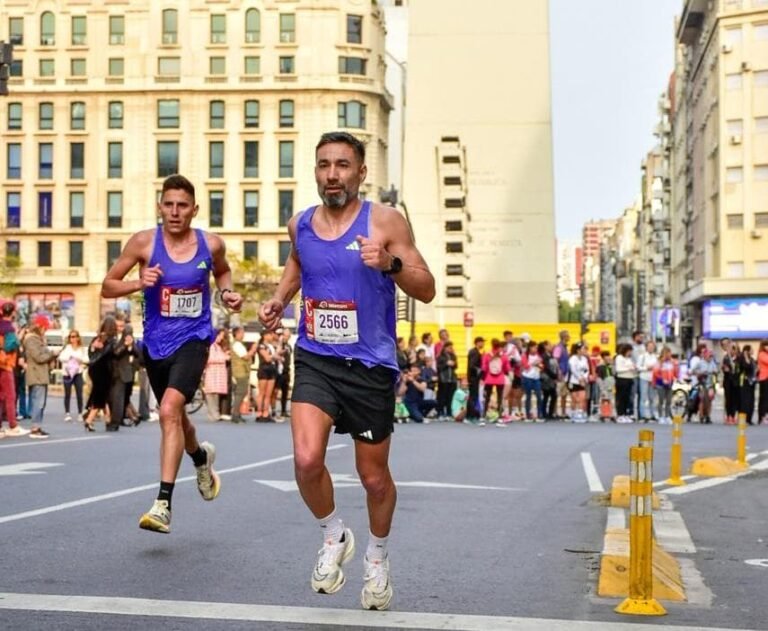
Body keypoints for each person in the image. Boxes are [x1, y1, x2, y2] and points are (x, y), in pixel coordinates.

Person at [258, 131, 435, 611]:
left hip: (370, 363)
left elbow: (427, 287)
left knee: (373, 477)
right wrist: (278, 300)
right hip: (316, 355)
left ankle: (376, 556)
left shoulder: (384, 222)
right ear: (315, 171)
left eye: (341, 165)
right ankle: (334, 533)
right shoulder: (300, 225)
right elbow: (298, 265)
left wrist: (390, 262)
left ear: (360, 172)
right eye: (323, 165)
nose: (332, 174)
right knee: (306, 459)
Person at [101, 173, 243, 534]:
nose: (175, 212)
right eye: (169, 205)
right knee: (175, 417)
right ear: (159, 206)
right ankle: (200, 457)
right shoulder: (143, 244)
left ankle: (162, 503)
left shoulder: (210, 245)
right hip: (156, 343)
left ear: (194, 209)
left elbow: (223, 272)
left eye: (182, 206)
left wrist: (227, 294)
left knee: (168, 410)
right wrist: (138, 281)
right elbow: (108, 285)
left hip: (194, 339)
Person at [23, 323, 59, 438]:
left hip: (40, 374)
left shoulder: (37, 339)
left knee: (40, 402)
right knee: (38, 402)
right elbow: (38, 357)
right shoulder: (31, 340)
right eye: (44, 328)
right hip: (37, 374)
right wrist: (51, 354)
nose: (45, 330)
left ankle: (37, 426)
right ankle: (35, 428)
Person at [83, 316, 118, 431]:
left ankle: (108, 419)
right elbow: (112, 354)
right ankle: (89, 419)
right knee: (101, 396)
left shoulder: (97, 338)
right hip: (104, 370)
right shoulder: (111, 340)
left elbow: (91, 352)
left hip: (93, 369)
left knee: (103, 395)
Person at [0, 303, 30, 437]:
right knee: (10, 396)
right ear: (12, 313)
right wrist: (18, 337)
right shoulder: (9, 328)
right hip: (5, 364)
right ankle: (13, 425)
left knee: (0, 396)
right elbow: (11, 345)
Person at [59, 329, 89, 422]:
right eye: (71, 337)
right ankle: (67, 413)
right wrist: (70, 358)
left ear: (78, 338)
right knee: (67, 394)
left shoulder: (82, 349)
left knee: (79, 393)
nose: (73, 339)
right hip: (68, 373)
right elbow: (61, 357)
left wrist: (80, 360)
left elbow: (87, 359)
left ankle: (80, 413)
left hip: (78, 373)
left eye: (75, 336)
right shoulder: (67, 348)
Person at [230, 326, 257, 423]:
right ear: (237, 334)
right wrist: (253, 350)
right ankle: (235, 414)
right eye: (242, 333)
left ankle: (237, 413)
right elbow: (245, 357)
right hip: (240, 372)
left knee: (242, 393)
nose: (243, 335)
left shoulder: (239, 344)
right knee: (240, 393)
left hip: (243, 371)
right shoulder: (237, 345)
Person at [203, 328, 230, 422]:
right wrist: (224, 358)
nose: (221, 338)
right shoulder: (210, 346)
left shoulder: (218, 347)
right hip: (212, 373)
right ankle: (212, 414)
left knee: (216, 395)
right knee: (211, 395)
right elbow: (209, 359)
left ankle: (216, 414)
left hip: (218, 374)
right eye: (220, 335)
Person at [254, 331, 278, 422]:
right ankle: (259, 412)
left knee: (269, 394)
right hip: (264, 369)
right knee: (262, 393)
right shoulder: (261, 346)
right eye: (269, 334)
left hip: (272, 369)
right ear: (264, 336)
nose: (271, 336)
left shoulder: (271, 346)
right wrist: (274, 356)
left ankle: (266, 412)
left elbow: (275, 356)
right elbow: (267, 358)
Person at [652, 346, 678, 424]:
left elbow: (675, 373)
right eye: (667, 353)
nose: (668, 355)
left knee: (669, 401)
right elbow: (655, 373)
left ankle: (667, 416)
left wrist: (676, 369)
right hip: (661, 384)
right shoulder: (659, 362)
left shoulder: (672, 362)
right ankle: (660, 416)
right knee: (661, 400)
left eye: (669, 353)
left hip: (670, 383)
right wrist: (661, 380)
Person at [567, 343, 590, 422]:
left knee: (582, 398)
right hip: (573, 381)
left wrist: (584, 378)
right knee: (575, 399)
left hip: (583, 381)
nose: (584, 350)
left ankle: (580, 413)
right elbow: (573, 370)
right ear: (578, 350)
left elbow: (586, 369)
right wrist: (579, 378)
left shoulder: (584, 359)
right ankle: (573, 413)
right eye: (583, 349)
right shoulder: (572, 359)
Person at [614, 343, 637, 423]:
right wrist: (629, 368)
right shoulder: (619, 358)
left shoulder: (629, 359)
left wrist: (633, 368)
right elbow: (618, 369)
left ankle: (625, 414)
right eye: (629, 351)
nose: (630, 353)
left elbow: (632, 367)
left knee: (627, 398)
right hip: (622, 379)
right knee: (621, 398)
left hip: (629, 379)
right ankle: (620, 414)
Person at [435, 340, 458, 420]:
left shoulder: (453, 356)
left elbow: (456, 366)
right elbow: (439, 367)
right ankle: (440, 412)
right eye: (449, 347)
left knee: (450, 397)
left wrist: (453, 364)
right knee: (442, 396)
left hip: (452, 379)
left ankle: (449, 412)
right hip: (443, 379)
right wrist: (446, 364)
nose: (451, 349)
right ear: (445, 348)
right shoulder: (440, 357)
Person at [637, 341, 658, 422]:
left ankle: (652, 414)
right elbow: (638, 367)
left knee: (652, 398)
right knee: (643, 397)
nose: (651, 348)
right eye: (649, 346)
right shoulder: (642, 356)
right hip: (644, 377)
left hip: (652, 378)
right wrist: (646, 368)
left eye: (652, 347)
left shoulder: (655, 357)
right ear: (646, 347)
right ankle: (642, 415)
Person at [275, 327, 294, 420]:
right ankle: (273, 410)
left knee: (285, 391)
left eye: (289, 336)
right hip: (279, 370)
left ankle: (283, 410)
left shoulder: (289, 345)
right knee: (276, 390)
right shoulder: (279, 344)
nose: (287, 337)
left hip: (287, 370)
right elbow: (277, 353)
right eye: (286, 335)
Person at [737, 345, 758, 425]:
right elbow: (747, 366)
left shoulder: (752, 359)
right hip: (744, 382)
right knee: (745, 400)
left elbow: (754, 368)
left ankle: (749, 418)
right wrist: (745, 356)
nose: (752, 351)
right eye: (751, 350)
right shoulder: (742, 359)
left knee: (751, 400)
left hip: (752, 382)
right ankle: (743, 418)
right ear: (746, 351)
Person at [552, 330, 571, 419]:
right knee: (557, 394)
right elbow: (555, 360)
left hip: (566, 374)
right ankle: (555, 412)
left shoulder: (565, 347)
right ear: (564, 337)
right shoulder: (558, 347)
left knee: (564, 394)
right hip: (560, 374)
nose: (569, 337)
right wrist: (558, 371)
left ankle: (563, 412)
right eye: (568, 335)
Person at [721, 342, 740, 425]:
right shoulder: (726, 358)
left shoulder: (739, 358)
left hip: (736, 381)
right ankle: (728, 416)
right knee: (728, 399)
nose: (732, 350)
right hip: (728, 380)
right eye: (731, 348)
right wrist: (724, 368)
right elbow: (724, 368)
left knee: (735, 399)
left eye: (734, 348)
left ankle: (733, 415)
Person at [466, 337, 485, 421]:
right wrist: (479, 369)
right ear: (478, 343)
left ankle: (473, 415)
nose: (483, 344)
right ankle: (471, 415)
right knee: (473, 396)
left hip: (473, 378)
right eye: (482, 342)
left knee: (474, 396)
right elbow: (472, 365)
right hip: (473, 378)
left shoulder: (475, 352)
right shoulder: (474, 352)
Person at [757, 339, 768, 424]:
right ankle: (762, 416)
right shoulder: (762, 354)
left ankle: (766, 415)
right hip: (764, 378)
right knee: (764, 398)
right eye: (766, 345)